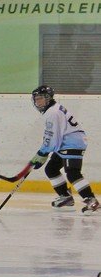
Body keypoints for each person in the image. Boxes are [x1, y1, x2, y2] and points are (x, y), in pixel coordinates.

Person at [27, 85, 98, 213]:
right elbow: (52, 138)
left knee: (72, 172)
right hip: (65, 143)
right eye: (36, 99)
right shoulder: (52, 110)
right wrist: (42, 153)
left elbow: (52, 138)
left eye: (41, 99)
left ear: (48, 98)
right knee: (51, 169)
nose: (38, 102)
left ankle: (91, 200)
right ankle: (66, 197)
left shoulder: (52, 113)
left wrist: (42, 153)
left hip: (73, 143)